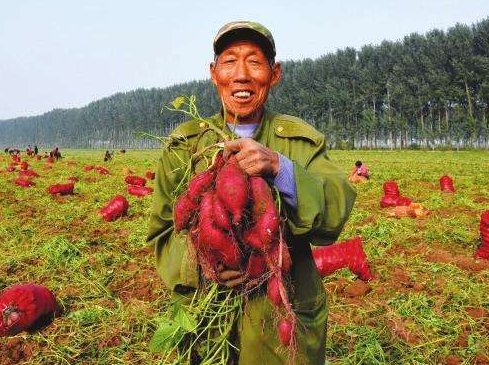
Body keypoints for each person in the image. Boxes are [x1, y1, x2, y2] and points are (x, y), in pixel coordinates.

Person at [147, 21, 356, 364]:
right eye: (230, 62)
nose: (241, 75)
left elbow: (333, 213)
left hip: (281, 323)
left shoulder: (300, 142)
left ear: (274, 74)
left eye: (254, 62)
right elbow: (162, 232)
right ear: (214, 74)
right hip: (207, 320)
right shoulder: (184, 147)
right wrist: (201, 261)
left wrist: (280, 168)